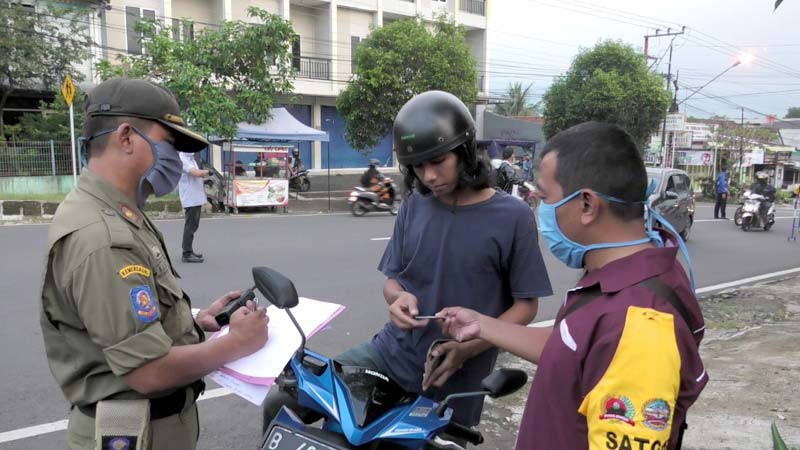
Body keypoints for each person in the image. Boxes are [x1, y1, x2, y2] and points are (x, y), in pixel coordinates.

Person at [437, 122, 707, 450]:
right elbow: (573, 350)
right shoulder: (615, 281)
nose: (540, 211)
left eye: (546, 198)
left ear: (587, 206)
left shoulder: (640, 324)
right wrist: (481, 325)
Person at [39, 78, 269, 450]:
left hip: (152, 426)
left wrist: (197, 324)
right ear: (127, 137)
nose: (175, 159)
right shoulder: (102, 236)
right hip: (136, 432)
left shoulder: (122, 213)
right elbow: (146, 371)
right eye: (168, 144)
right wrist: (237, 344)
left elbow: (130, 322)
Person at [179, 152, 208, 263]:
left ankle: (189, 250)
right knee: (190, 226)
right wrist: (208, 172)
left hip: (196, 197)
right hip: (190, 198)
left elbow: (195, 177)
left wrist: (205, 179)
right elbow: (194, 173)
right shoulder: (183, 158)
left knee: (194, 225)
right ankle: (186, 253)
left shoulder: (191, 159)